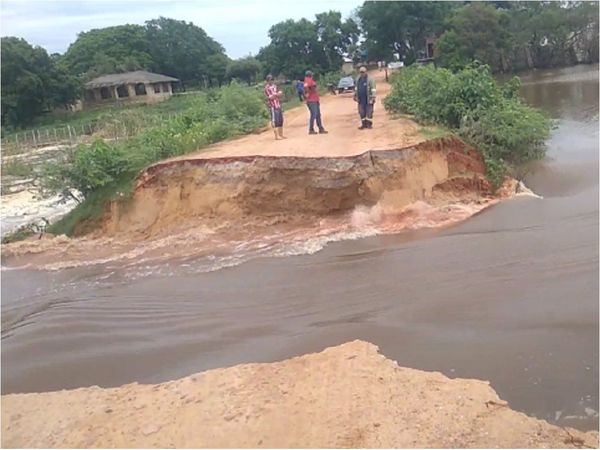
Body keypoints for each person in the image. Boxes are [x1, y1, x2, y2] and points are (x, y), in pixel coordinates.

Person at [303, 71, 328, 135]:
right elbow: (306, 87)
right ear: (310, 75)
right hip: (311, 100)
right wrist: (309, 91)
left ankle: (320, 128)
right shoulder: (308, 80)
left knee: (318, 115)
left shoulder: (308, 80)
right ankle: (311, 129)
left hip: (314, 99)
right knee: (314, 115)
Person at [264, 74, 286, 140]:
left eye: (272, 80)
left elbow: (280, 93)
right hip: (273, 106)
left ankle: (281, 134)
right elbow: (270, 97)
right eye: (270, 80)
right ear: (267, 81)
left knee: (280, 120)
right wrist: (277, 94)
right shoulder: (267, 88)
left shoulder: (275, 86)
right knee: (275, 120)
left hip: (278, 104)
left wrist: (276, 95)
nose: (271, 81)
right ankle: (276, 136)